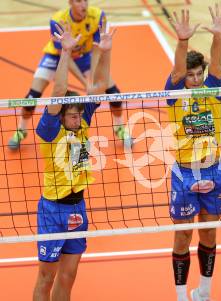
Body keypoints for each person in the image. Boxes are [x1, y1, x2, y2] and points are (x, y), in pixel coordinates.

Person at [33, 21, 114, 301]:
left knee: (68, 277)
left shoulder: (82, 123)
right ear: (60, 116)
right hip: (53, 210)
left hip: (78, 206)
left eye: (79, 114)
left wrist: (105, 51)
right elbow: (57, 94)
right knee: (46, 276)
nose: (78, 117)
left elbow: (101, 86)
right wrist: (65, 52)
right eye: (72, 114)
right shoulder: (50, 129)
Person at [165, 4, 221, 301]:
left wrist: (218, 36)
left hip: (214, 170)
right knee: (182, 236)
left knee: (209, 233)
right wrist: (182, 41)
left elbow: (217, 63)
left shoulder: (212, 88)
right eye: (189, 74)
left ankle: (204, 292)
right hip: (184, 172)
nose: (193, 78)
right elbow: (177, 71)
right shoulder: (175, 94)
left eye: (197, 74)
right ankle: (180, 296)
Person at [9, 0, 131, 150]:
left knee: (113, 93)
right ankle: (21, 129)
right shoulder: (58, 19)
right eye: (79, 1)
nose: (83, 5)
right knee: (31, 97)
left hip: (84, 56)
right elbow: (64, 56)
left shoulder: (97, 16)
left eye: (85, 1)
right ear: (70, 3)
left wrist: (91, 78)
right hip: (57, 57)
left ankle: (119, 127)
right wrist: (84, 82)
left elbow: (96, 50)